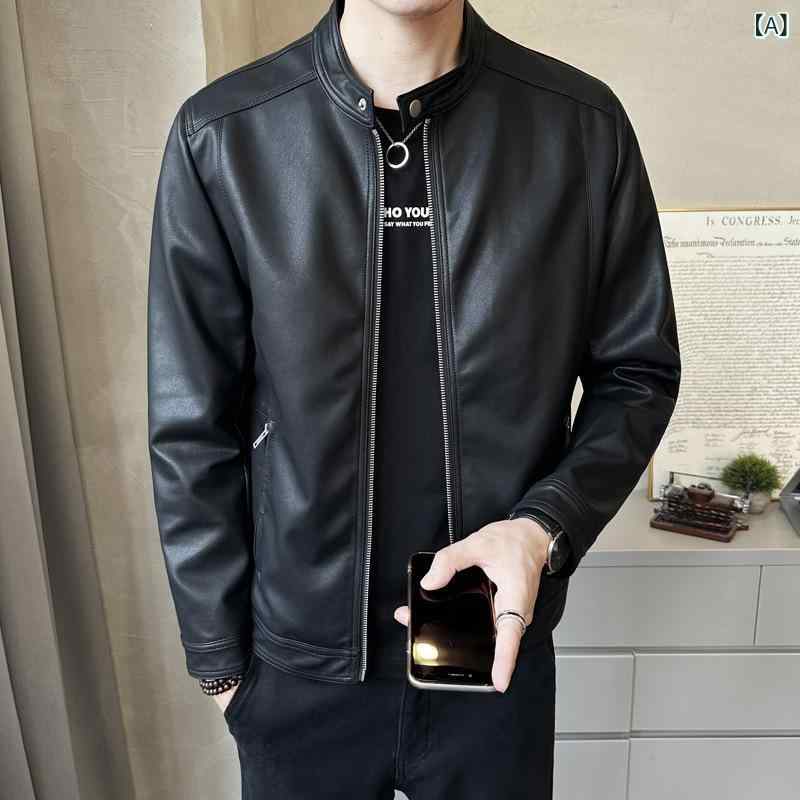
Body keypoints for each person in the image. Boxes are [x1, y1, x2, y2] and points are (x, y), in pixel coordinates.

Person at [146, 0, 681, 797]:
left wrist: (543, 526)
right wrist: (222, 667)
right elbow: (192, 423)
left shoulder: (579, 126)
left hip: (492, 652)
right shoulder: (224, 134)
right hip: (298, 673)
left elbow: (636, 373)